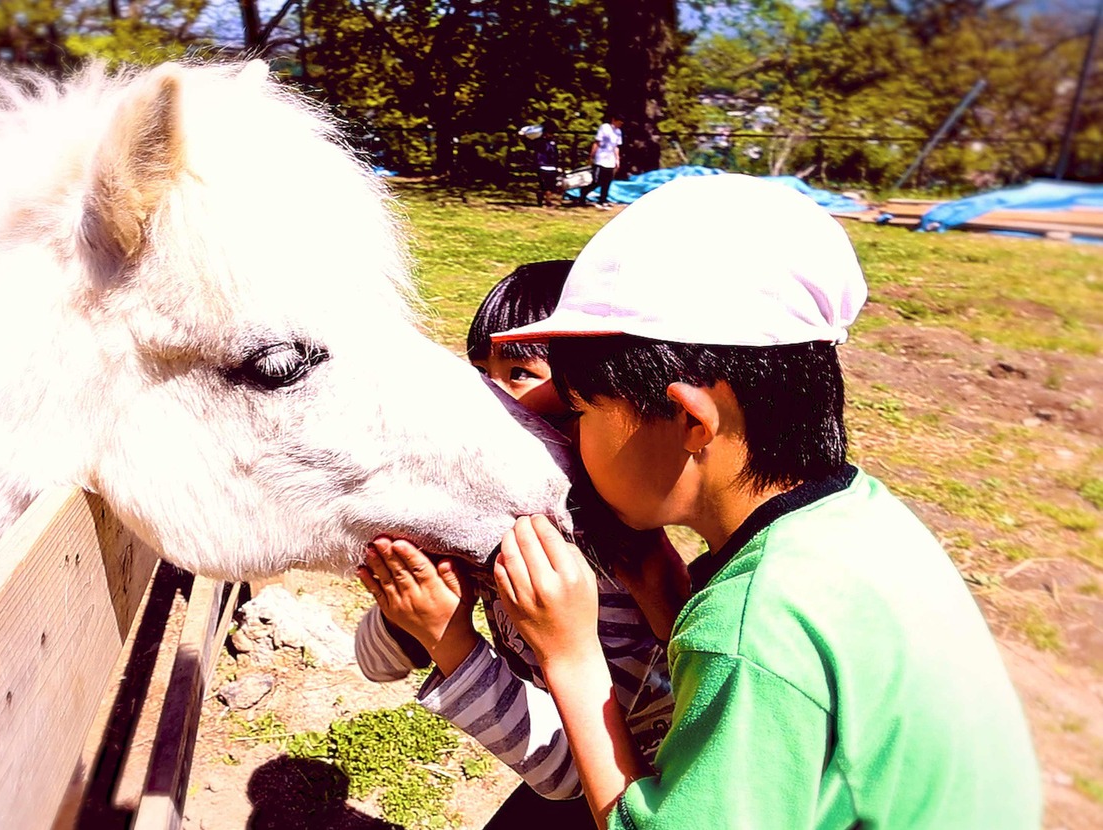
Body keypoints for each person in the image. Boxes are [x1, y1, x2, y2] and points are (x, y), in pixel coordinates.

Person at [487, 174, 1042, 829]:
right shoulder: (859, 515)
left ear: (691, 420)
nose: (570, 440)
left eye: (579, 411)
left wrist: (571, 657)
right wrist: (667, 601)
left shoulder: (748, 624)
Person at [352, 260, 678, 827]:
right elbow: (377, 665)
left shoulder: (614, 571)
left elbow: (570, 772)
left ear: (587, 394)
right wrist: (412, 606)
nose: (484, 400)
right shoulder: (493, 531)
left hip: (633, 795)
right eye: (480, 372)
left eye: (520, 373)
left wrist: (450, 642)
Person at [579, 114, 622, 210]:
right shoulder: (604, 127)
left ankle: (603, 200)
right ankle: (583, 193)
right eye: (618, 122)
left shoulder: (618, 132)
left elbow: (616, 146)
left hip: (610, 160)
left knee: (607, 181)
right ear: (614, 120)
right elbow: (597, 142)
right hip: (600, 158)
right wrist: (592, 156)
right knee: (596, 181)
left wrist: (617, 159)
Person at [531, 122, 563, 208]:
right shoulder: (540, 142)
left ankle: (547, 200)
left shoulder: (553, 143)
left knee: (551, 185)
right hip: (542, 165)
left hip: (552, 166)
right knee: (544, 185)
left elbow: (555, 155)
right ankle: (546, 199)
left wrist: (557, 165)